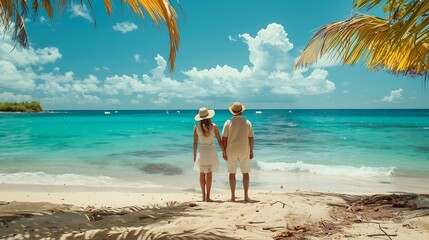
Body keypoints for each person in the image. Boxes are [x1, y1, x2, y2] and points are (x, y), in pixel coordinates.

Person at [222, 102, 254, 202]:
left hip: (231, 150)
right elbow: (251, 138)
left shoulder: (228, 122)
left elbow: (224, 138)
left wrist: (224, 151)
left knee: (232, 173)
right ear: (241, 111)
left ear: (233, 111)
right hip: (244, 150)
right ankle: (246, 196)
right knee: (245, 173)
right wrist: (251, 150)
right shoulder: (247, 122)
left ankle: (232, 197)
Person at [193, 107, 225, 202]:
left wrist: (194, 154)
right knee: (209, 173)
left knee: (202, 173)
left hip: (201, 151)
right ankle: (208, 197)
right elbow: (219, 141)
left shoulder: (196, 127)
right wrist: (224, 151)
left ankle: (203, 197)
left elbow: (195, 142)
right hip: (211, 151)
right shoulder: (213, 126)